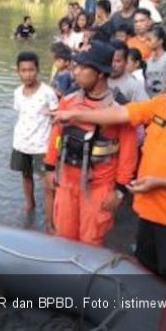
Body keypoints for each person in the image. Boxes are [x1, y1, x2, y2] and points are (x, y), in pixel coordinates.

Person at [52, 49, 166, 299]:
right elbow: (122, 114)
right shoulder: (163, 104)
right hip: (148, 214)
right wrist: (76, 114)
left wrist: (158, 183)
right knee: (147, 275)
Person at [44, 41, 138, 246]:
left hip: (99, 188)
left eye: (83, 67)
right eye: (76, 66)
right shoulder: (68, 101)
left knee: (91, 241)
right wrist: (50, 168)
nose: (75, 71)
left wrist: (119, 191)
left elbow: (129, 155)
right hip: (67, 181)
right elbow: (56, 135)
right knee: (63, 238)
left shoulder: (120, 109)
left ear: (101, 73)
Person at [11, 52, 58, 221]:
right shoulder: (17, 92)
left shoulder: (48, 93)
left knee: (48, 184)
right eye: (23, 70)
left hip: (42, 146)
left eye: (31, 70)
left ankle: (50, 219)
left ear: (37, 70)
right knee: (26, 175)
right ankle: (29, 207)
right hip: (21, 143)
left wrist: (54, 147)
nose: (27, 74)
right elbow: (21, 115)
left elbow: (56, 120)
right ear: (18, 71)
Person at [145, 24, 166, 97]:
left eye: (149, 40)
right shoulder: (149, 60)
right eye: (146, 40)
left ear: (160, 41)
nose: (147, 43)